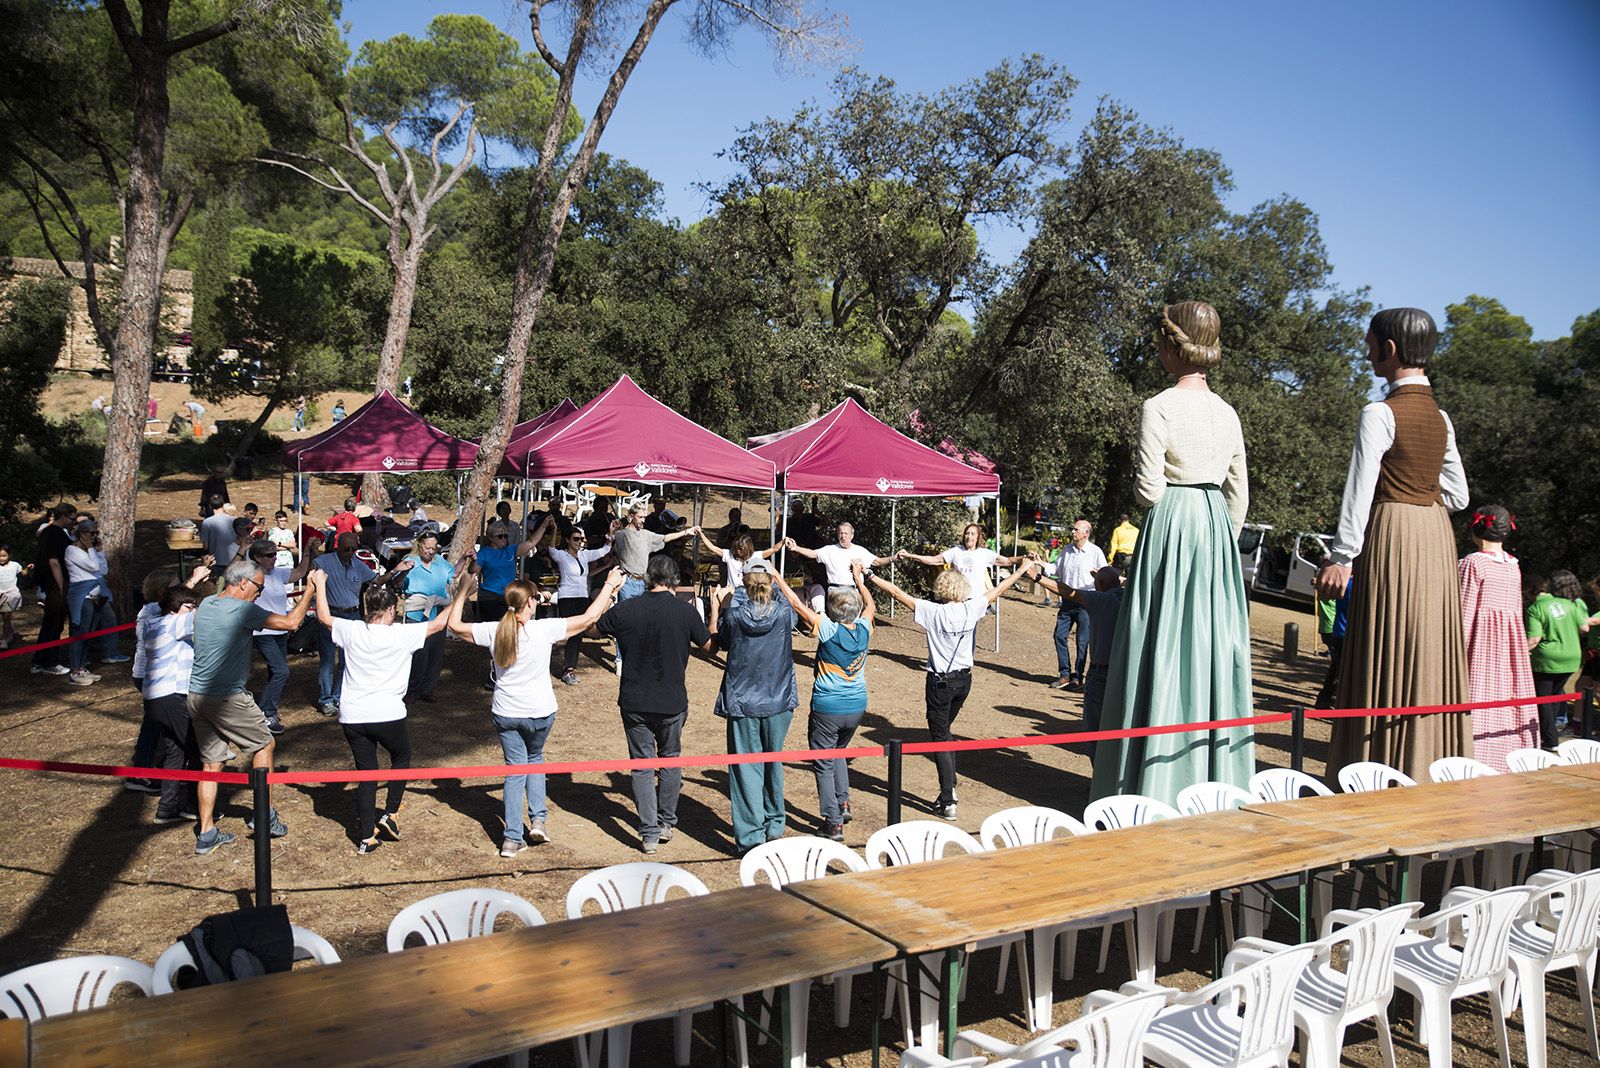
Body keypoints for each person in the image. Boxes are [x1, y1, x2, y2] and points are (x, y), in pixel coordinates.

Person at [1091, 300, 1255, 806]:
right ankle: (1212, 778)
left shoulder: (1158, 405)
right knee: (1211, 644)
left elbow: (1146, 488)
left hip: (1172, 522)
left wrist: (1174, 523)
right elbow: (1239, 495)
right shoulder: (1227, 413)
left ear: (1170, 344)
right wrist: (1218, 540)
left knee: (1156, 642)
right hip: (1214, 529)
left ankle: (1148, 783)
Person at [1317, 307, 1471, 781]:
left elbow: (1359, 491)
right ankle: (1427, 762)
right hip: (1434, 536)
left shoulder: (1379, 412)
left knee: (1382, 646)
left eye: (1370, 344)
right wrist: (1419, 493)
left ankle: (1376, 765)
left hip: (1393, 536)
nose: (1366, 353)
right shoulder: (1440, 417)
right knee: (1426, 648)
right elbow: (1459, 495)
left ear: (1388, 349)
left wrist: (1342, 557)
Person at [450, 568, 625, 857]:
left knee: (515, 770)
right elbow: (589, 619)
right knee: (535, 761)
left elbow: (455, 625)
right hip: (540, 713)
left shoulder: (494, 629)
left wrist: (463, 591)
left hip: (507, 713)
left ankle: (511, 838)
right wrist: (608, 586)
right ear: (530, 602)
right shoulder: (543, 630)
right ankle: (539, 820)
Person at [309, 568, 464, 853]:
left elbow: (322, 617)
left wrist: (320, 584)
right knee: (401, 756)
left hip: (353, 716)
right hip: (387, 715)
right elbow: (439, 624)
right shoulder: (401, 634)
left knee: (366, 773)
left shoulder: (352, 629)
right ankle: (390, 812)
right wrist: (463, 592)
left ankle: (366, 838)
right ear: (391, 609)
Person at [871, 560, 1036, 820]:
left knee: (940, 738)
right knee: (944, 734)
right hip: (963, 682)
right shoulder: (972, 608)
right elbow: (999, 589)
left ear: (941, 588)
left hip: (939, 683)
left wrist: (869, 576)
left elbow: (895, 592)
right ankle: (950, 786)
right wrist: (1021, 571)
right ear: (962, 589)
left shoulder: (931, 611)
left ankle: (948, 798)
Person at [187, 558, 317, 854]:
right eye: (258, 586)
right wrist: (309, 589)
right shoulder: (243, 609)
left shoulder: (207, 604)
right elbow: (291, 623)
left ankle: (206, 834)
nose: (260, 591)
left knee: (211, 764)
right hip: (227, 697)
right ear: (243, 582)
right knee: (263, 746)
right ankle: (264, 816)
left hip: (196, 695)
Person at [591, 555, 713, 852]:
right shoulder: (684, 612)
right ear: (673, 580)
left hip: (635, 701)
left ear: (647, 578)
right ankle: (666, 822)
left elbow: (591, 629)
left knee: (643, 766)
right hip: (671, 701)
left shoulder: (627, 609)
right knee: (670, 760)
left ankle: (649, 833)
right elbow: (709, 647)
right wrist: (716, 613)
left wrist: (609, 593)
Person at [775, 559, 874, 841]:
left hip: (828, 707)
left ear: (832, 611)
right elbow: (871, 606)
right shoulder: (865, 628)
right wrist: (858, 579)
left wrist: (776, 577)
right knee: (838, 752)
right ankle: (843, 802)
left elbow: (796, 604)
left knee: (823, 760)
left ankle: (833, 821)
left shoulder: (829, 630)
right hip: (856, 706)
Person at [708, 561, 798, 854]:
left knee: (746, 768)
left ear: (744, 584)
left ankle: (750, 836)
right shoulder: (784, 612)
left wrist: (719, 606)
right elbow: (793, 607)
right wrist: (776, 577)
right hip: (778, 700)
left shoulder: (733, 616)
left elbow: (716, 642)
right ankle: (773, 825)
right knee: (773, 763)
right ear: (769, 582)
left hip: (743, 701)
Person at [1455, 505, 1539, 769]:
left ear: (1476, 529)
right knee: (1506, 692)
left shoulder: (1472, 562)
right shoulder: (1513, 565)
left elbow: (1464, 611)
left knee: (1478, 694)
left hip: (1481, 643)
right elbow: (1515, 609)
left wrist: (1455, 650)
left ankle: (1476, 755)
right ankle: (1507, 752)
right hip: (1508, 643)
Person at [312, 532, 407, 717]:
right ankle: (325, 699)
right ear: (338, 546)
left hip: (353, 614)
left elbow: (376, 581)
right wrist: (310, 550)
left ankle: (339, 696)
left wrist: (396, 570)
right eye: (346, 549)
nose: (349, 553)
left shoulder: (358, 564)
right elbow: (310, 570)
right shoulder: (325, 561)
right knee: (328, 660)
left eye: (353, 549)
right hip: (331, 614)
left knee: (348, 659)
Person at [1035, 563, 1124, 756]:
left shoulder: (1102, 599)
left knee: (1094, 728)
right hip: (1124, 672)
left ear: (1099, 584)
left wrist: (1036, 577)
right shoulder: (1129, 598)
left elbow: (1069, 592)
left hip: (1101, 672)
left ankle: (1099, 776)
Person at [142, 585, 203, 825]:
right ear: (173, 608)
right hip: (171, 697)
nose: (193, 611)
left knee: (175, 753)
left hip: (156, 699)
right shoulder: (173, 624)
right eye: (189, 606)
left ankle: (166, 809)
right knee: (198, 751)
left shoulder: (156, 624)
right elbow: (204, 614)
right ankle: (193, 805)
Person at [537, 521, 613, 685]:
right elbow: (551, 549)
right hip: (567, 598)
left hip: (582, 598)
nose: (580, 542)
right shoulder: (561, 555)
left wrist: (610, 535)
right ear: (567, 540)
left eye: (581, 539)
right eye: (576, 539)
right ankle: (546, 663)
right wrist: (555, 529)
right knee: (566, 633)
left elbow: (604, 550)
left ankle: (569, 669)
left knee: (578, 634)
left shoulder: (584, 554)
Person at [1527, 570, 1590, 748]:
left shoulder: (1535, 608)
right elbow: (1584, 627)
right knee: (1555, 695)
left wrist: (1518, 652)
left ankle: (1550, 739)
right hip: (1572, 657)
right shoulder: (1569, 604)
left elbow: (1534, 639)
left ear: (1530, 592)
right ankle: (1551, 732)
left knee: (1543, 698)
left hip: (1548, 659)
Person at [1047, 520, 1108, 691]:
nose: (1072, 532)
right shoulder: (1067, 550)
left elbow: (1105, 575)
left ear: (1086, 533)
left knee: (1082, 641)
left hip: (1086, 602)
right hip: (1067, 601)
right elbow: (1055, 570)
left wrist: (1098, 577)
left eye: (1076, 529)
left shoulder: (1095, 552)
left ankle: (1078, 677)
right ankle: (1065, 674)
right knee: (1059, 635)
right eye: (1073, 529)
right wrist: (1040, 563)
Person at [64, 519, 125, 685]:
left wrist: (98, 551)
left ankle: (83, 667)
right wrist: (91, 549)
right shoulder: (72, 550)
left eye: (97, 533)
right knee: (80, 631)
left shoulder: (91, 550)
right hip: (82, 594)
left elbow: (102, 569)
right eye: (92, 533)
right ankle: (75, 670)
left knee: (90, 630)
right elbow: (93, 567)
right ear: (82, 534)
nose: (95, 536)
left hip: (97, 592)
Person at [400, 530, 454, 702]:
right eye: (427, 548)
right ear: (419, 545)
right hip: (417, 615)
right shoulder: (410, 561)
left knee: (435, 655)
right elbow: (397, 583)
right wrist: (401, 571)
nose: (431, 551)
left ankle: (428, 689)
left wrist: (464, 560)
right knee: (418, 655)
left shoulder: (440, 562)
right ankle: (412, 689)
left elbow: (453, 574)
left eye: (433, 548)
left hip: (437, 614)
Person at [898, 523, 1030, 593]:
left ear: (978, 537)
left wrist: (1024, 557)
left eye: (972, 534)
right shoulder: (956, 551)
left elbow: (1007, 561)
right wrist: (910, 555)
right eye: (967, 533)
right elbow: (933, 560)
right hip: (957, 597)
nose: (969, 536)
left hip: (976, 600)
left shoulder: (984, 553)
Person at [610, 504, 699, 601]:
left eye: (644, 517)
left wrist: (685, 532)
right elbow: (609, 548)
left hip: (642, 582)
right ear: (631, 516)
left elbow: (665, 538)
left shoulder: (646, 534)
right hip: (627, 581)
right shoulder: (621, 534)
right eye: (640, 517)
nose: (643, 520)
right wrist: (611, 532)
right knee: (627, 614)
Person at [30, 504, 76, 677]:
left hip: (55, 585)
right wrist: (61, 585)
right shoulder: (54, 533)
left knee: (51, 623)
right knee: (54, 623)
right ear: (63, 516)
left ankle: (39, 660)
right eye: (71, 519)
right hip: (56, 585)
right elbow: (53, 561)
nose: (72, 523)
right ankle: (50, 662)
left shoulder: (50, 533)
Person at [786, 522, 893, 591]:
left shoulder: (860, 550)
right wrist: (796, 548)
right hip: (835, 591)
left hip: (854, 591)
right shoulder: (830, 550)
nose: (843, 536)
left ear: (852, 535)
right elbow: (813, 553)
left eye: (846, 533)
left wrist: (893, 558)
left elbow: (878, 562)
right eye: (840, 533)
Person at [694, 529, 781, 598]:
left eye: (741, 549)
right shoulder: (729, 555)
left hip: (749, 593)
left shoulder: (755, 556)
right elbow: (712, 548)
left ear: (747, 548)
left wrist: (783, 542)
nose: (738, 551)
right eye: (736, 548)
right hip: (732, 592)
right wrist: (701, 534)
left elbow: (773, 549)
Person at [0, 544, 31, 649]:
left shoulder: (14, 565)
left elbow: (23, 573)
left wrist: (28, 567)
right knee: (3, 617)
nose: (2, 558)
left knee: (6, 616)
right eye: (0, 556)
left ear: (9, 555)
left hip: (10, 594)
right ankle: (9, 630)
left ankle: (4, 640)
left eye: (4, 556)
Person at [198, 497, 237, 561]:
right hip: (233, 559)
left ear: (210, 506)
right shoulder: (235, 520)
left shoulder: (207, 522)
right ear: (222, 505)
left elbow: (206, 546)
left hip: (216, 560)